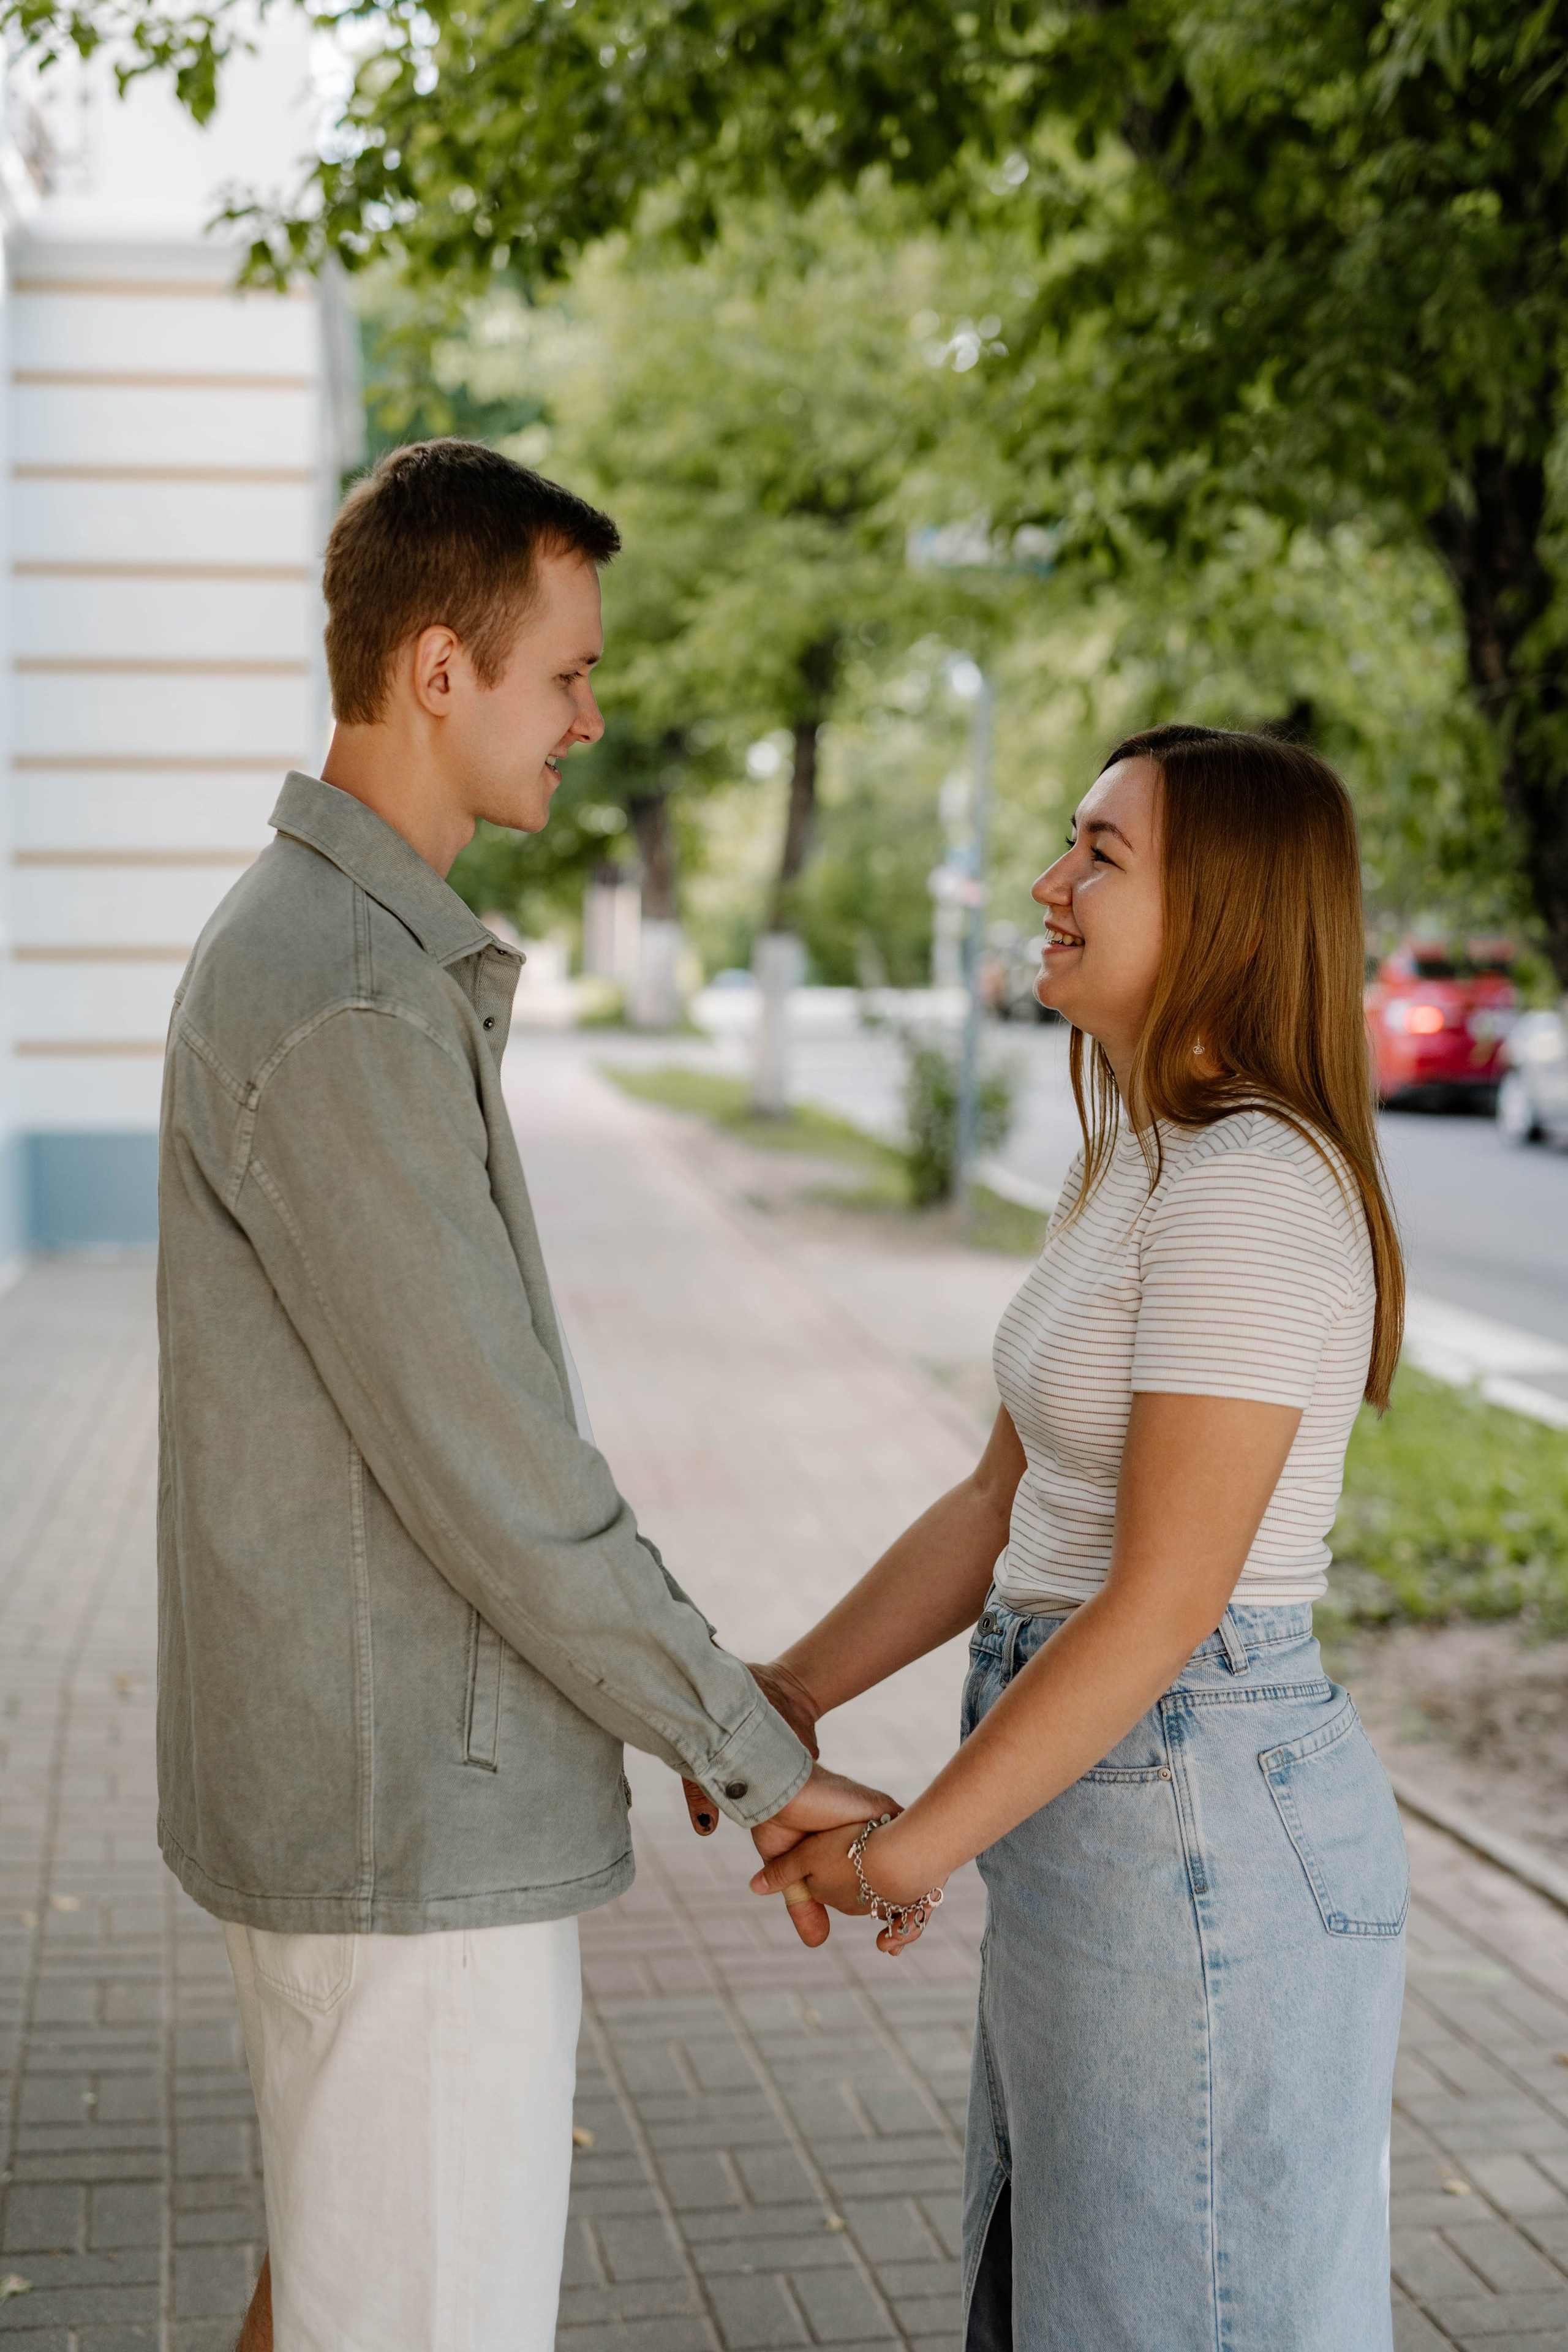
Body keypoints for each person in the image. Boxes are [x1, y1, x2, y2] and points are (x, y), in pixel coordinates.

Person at [156, 438, 885, 2352]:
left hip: (391, 1809)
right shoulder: (347, 998)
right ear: (435, 671)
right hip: (409, 1833)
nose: (591, 714)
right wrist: (753, 1748)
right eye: (565, 673)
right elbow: (505, 1478)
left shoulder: (358, 963)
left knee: (332, 2307)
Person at [748, 724, 1409, 2349]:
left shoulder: (1251, 1186)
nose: (1047, 884)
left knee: (1171, 2311)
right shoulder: (1134, 1157)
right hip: (1118, 1797)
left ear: (1232, 917)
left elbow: (1167, 1603)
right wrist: (787, 1692)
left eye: (1101, 857)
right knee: (1075, 2290)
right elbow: (1003, 1504)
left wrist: (908, 1849)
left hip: (1195, 1799)